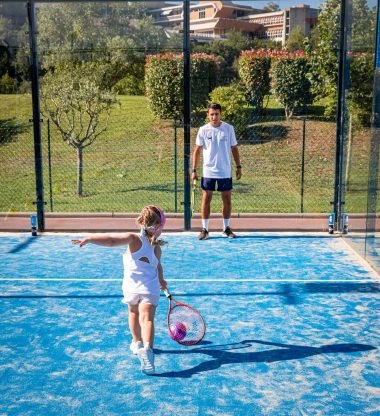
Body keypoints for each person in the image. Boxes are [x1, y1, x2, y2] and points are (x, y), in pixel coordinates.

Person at [71, 205, 167, 376]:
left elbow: (111, 240)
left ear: (142, 222)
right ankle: (148, 350)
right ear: (158, 227)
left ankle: (137, 343)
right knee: (147, 320)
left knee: (133, 314)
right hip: (150, 288)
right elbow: (158, 267)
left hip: (131, 287)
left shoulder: (133, 239)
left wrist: (90, 238)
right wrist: (162, 281)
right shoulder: (157, 248)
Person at [191, 102, 242, 240]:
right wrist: (194, 170)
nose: (214, 117)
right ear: (208, 115)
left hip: (225, 171)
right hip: (208, 172)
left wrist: (238, 167)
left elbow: (234, 148)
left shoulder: (229, 129)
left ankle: (226, 229)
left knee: (226, 199)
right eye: (212, 114)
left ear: (221, 114)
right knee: (206, 198)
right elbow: (197, 150)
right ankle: (205, 229)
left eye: (217, 114)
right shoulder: (203, 130)